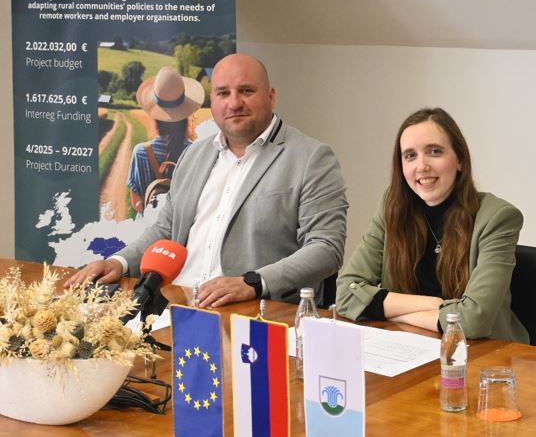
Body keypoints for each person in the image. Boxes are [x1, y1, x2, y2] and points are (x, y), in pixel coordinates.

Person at [66, 53, 348, 307]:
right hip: (175, 302)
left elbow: (326, 248)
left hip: (252, 313)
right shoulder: (194, 155)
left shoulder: (311, 158)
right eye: (223, 93)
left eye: (246, 91)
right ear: (212, 101)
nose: (234, 103)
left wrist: (252, 282)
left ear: (271, 96)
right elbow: (166, 229)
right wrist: (119, 262)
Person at [336, 107, 528, 342]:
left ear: (460, 159)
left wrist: (393, 313)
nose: (422, 166)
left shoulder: (497, 217)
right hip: (410, 346)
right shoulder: (392, 206)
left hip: (482, 352)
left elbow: (472, 321)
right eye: (410, 156)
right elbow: (345, 293)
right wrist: (431, 304)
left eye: (434, 151)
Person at [128, 66, 201, 213]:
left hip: (148, 226)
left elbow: (136, 203)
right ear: (185, 114)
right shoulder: (195, 153)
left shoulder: (140, 152)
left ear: (155, 115)